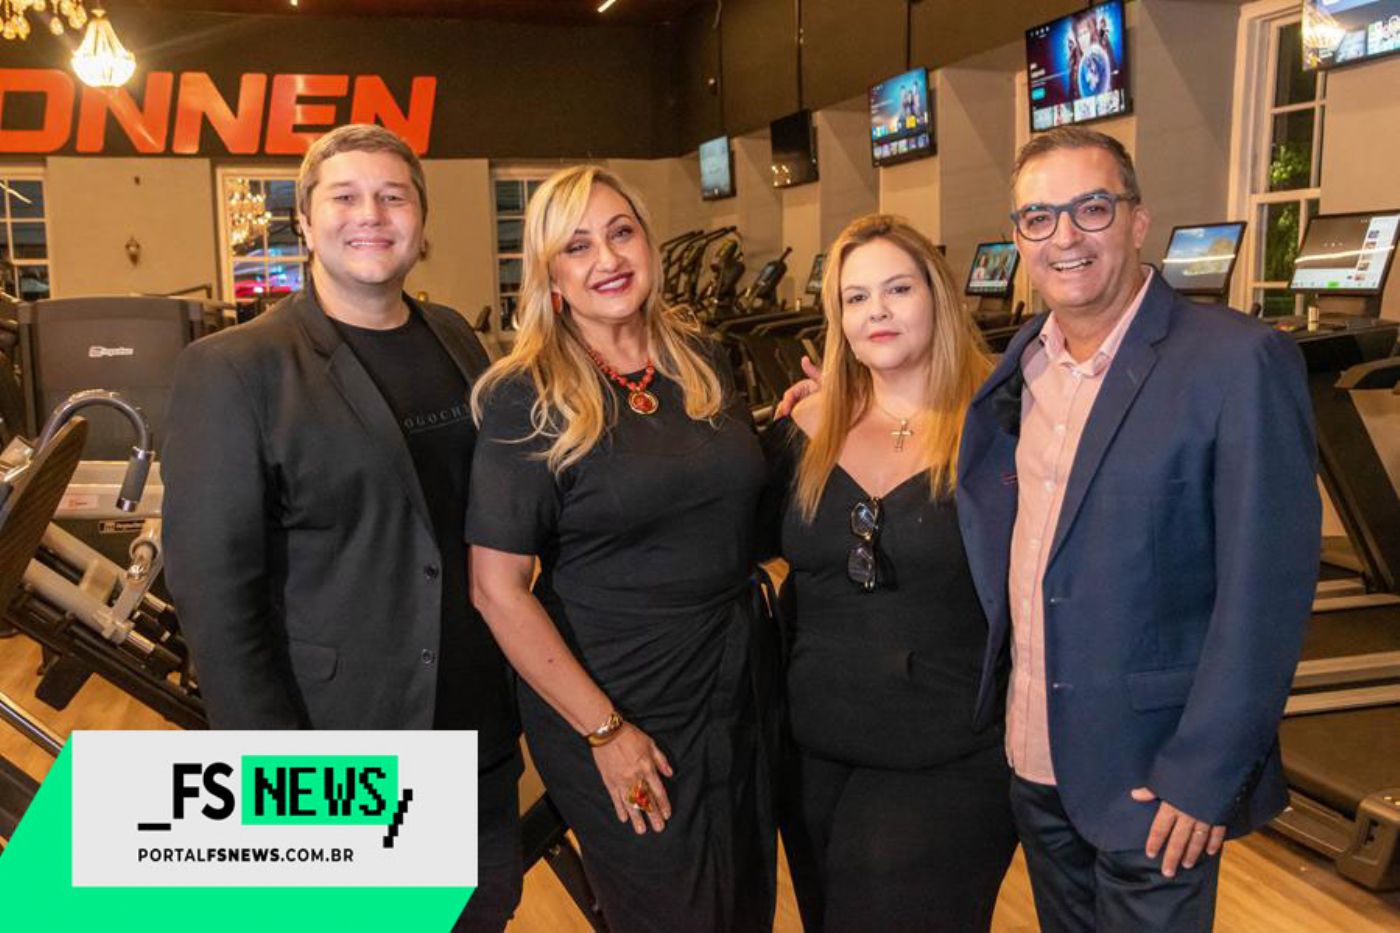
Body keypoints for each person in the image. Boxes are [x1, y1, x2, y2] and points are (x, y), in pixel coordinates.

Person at [956, 126, 1319, 931]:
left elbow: (1268, 590)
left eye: (1091, 208)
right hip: (1035, 756)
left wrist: (1207, 772)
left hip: (1157, 777)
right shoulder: (1025, 361)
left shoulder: (1237, 361)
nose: (1065, 237)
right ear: (1019, 238)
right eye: (1038, 218)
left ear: (1138, 220)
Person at [161, 124, 521, 932]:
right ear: (305, 219)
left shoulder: (454, 336)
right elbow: (215, 597)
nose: (372, 215)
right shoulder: (237, 367)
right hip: (342, 744)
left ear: (422, 219)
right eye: (345, 196)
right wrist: (281, 779)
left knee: (482, 913)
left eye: (394, 196)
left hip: (477, 733)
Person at [465, 165, 777, 933]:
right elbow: (496, 589)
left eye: (620, 232)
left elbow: (723, 497)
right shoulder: (526, 394)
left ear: (648, 243)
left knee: (744, 905)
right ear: (551, 276)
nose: (606, 258)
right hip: (621, 700)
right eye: (577, 246)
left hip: (735, 682)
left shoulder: (700, 357)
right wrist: (604, 730)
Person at [765, 214, 1017, 932]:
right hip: (815, 750)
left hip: (948, 752)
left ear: (938, 295)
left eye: (898, 289)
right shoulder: (804, 427)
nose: (876, 310)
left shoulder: (1002, 424)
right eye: (856, 297)